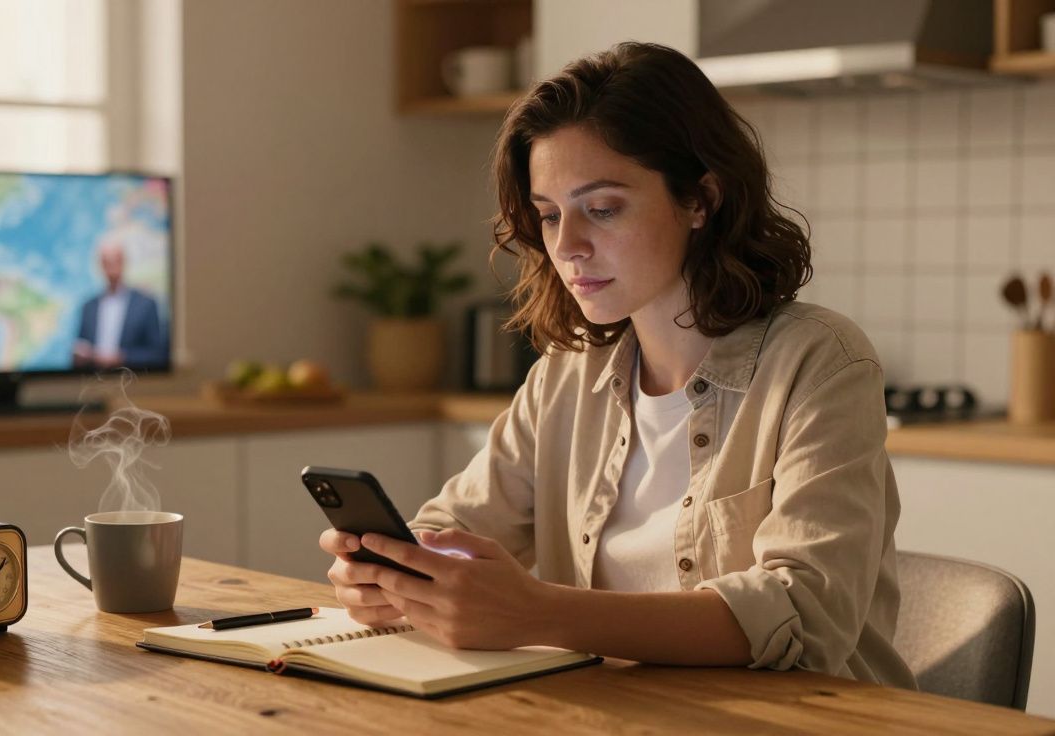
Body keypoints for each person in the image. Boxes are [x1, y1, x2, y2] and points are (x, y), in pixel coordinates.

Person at [318, 42, 916, 689]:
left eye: (601, 209)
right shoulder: (565, 375)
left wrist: (536, 612)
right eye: (549, 216)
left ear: (700, 199)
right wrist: (396, 568)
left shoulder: (820, 361)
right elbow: (455, 524)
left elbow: (804, 612)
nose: (566, 246)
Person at [74, 239, 169, 370]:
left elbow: (158, 354)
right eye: (107, 263)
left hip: (133, 382)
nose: (112, 269)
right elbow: (80, 347)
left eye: (116, 261)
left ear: (124, 262)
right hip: (94, 382)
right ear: (100, 265)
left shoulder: (146, 304)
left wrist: (122, 358)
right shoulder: (88, 307)